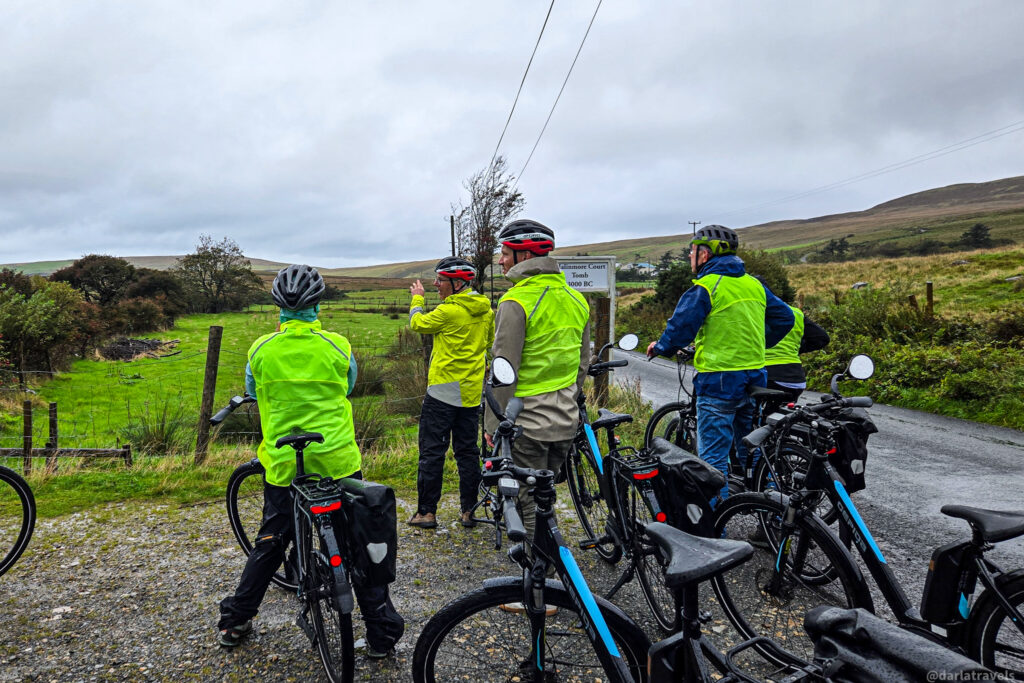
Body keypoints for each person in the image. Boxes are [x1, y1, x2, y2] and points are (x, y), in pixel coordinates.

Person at [217, 264, 404, 657]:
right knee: (357, 543)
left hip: (285, 464)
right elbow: (349, 386)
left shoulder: (261, 349)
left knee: (271, 539)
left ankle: (236, 620)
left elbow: (253, 388)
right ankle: (381, 635)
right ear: (317, 304)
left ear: (278, 308)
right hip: (337, 460)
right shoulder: (338, 346)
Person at [646, 225, 793, 502]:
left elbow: (681, 328)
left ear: (704, 254)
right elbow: (786, 318)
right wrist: (759, 342)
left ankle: (716, 535)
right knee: (750, 447)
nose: (690, 257)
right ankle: (775, 515)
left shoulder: (707, 286)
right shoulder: (754, 284)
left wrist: (662, 347)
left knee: (712, 461)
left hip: (719, 380)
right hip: (754, 376)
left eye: (692, 252)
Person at [484, 219, 590, 546]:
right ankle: (552, 562)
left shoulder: (516, 301)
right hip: (565, 420)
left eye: (505, 252)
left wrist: (493, 425)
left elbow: (504, 370)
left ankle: (538, 586)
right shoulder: (576, 299)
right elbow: (582, 364)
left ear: (524, 255)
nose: (500, 260)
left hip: (525, 424)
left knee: (524, 503)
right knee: (544, 500)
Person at [406, 257, 494, 529]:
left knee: (432, 451)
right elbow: (488, 343)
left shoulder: (449, 311)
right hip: (469, 392)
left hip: (443, 390)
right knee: (467, 452)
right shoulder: (486, 311)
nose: (435, 284)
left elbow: (417, 324)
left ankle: (426, 513)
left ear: (457, 283)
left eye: (440, 280)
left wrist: (417, 299)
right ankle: (469, 510)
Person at [764, 302, 830, 405]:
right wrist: (795, 349)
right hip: (796, 379)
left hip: (769, 376)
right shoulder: (795, 312)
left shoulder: (755, 311)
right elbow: (822, 338)